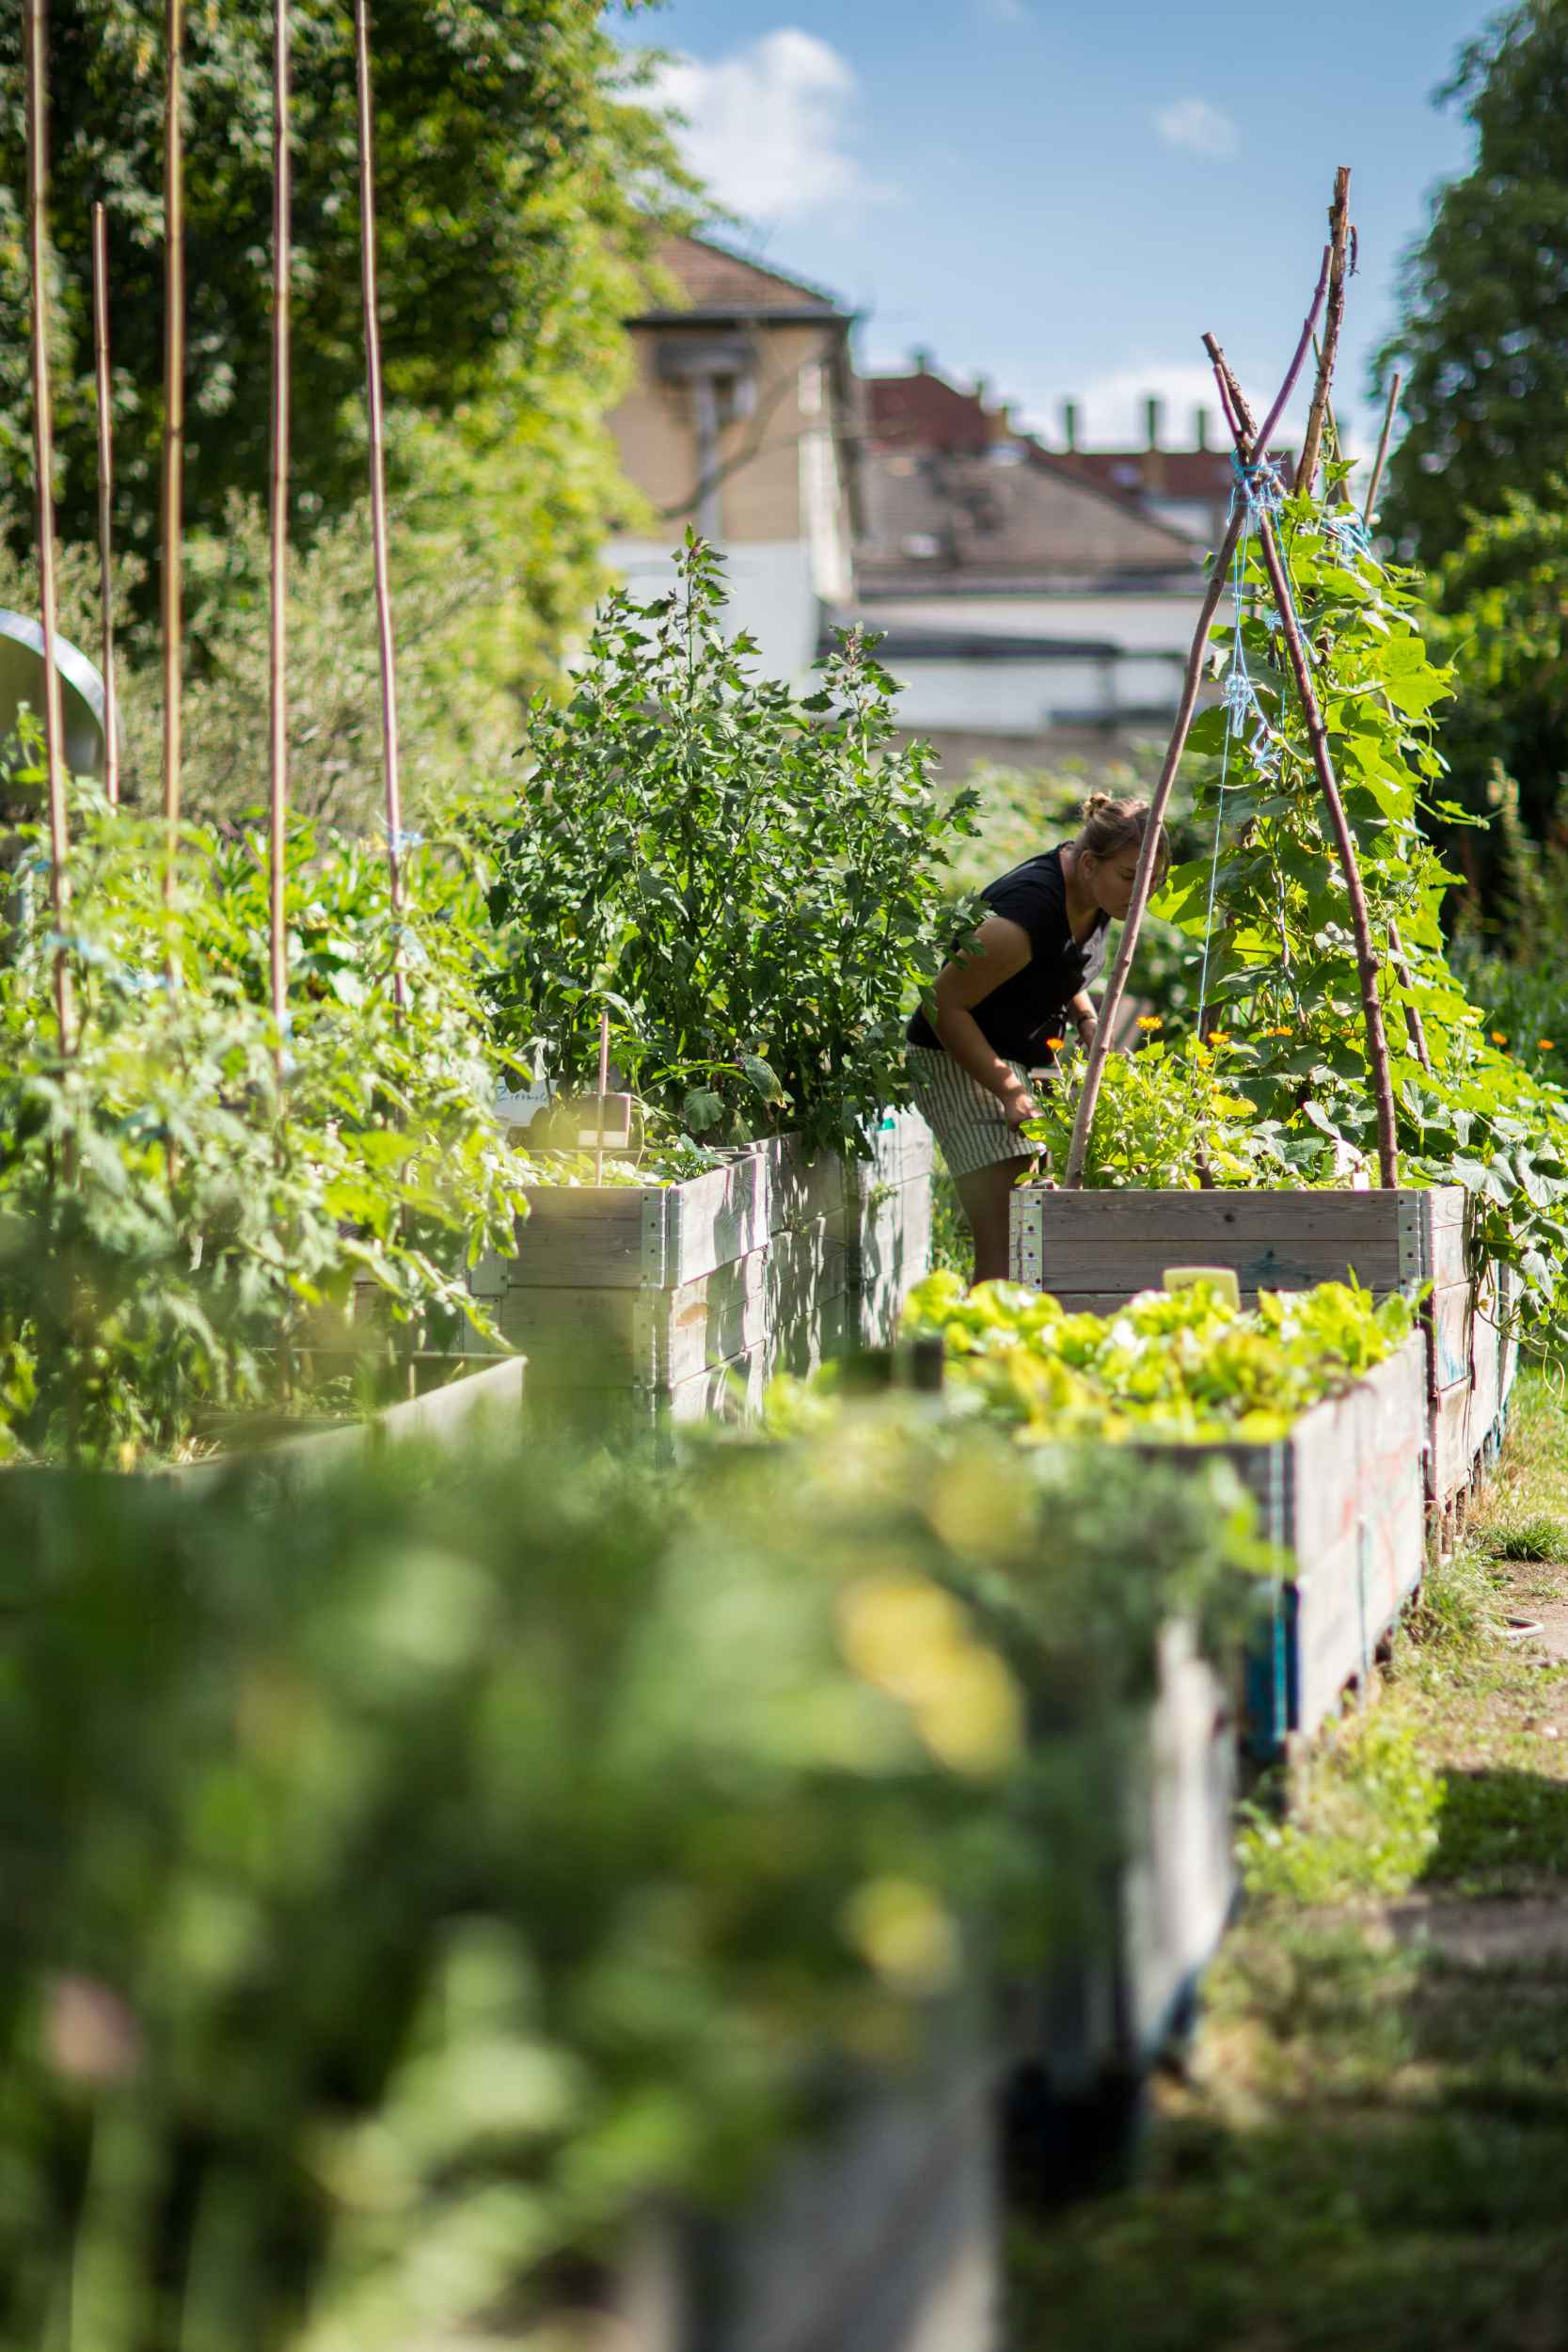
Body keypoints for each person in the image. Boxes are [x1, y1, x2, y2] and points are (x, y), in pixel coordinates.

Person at [907, 793, 1169, 1283]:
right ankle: (978, 1330)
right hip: (957, 1055)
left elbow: (1059, 964)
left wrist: (1085, 1017)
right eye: (1132, 877)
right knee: (1010, 1239)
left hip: (1012, 1053)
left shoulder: (1099, 894)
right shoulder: (1023, 917)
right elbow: (941, 1006)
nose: (1144, 894)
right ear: (1089, 863)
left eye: (1155, 880)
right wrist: (1009, 1091)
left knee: (1030, 1232)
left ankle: (1007, 1323)